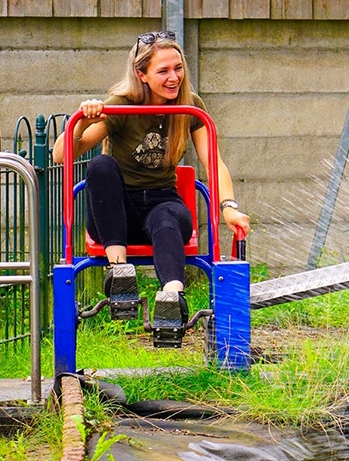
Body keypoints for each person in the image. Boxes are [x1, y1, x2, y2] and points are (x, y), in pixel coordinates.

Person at [52, 30, 250, 324]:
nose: (174, 77)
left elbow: (214, 163)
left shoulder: (190, 107)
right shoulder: (121, 104)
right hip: (116, 214)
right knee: (100, 165)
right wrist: (81, 122)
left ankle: (172, 298)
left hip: (162, 203)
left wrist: (229, 207)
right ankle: (119, 273)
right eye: (164, 71)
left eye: (178, 68)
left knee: (167, 216)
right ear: (142, 74)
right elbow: (61, 155)